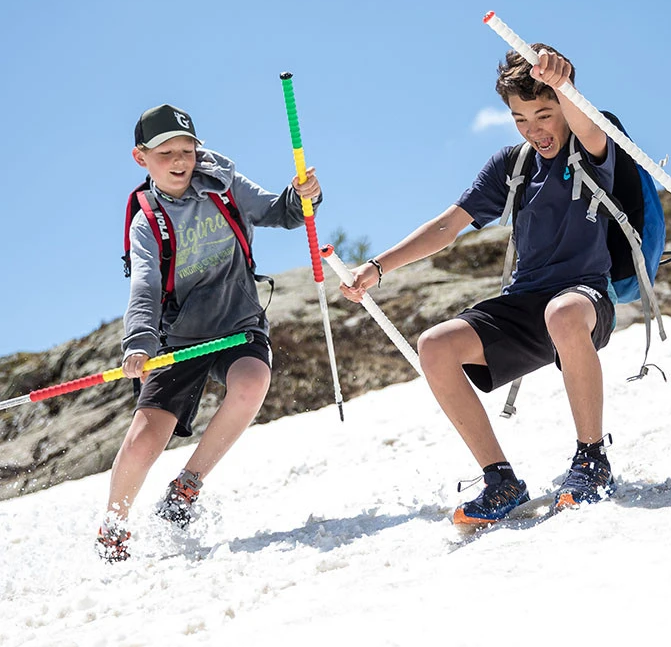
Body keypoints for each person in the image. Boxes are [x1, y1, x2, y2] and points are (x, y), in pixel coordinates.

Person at [339, 44, 619, 526]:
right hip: (526, 304)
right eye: (520, 119)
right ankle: (501, 480)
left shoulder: (591, 139)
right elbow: (447, 226)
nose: (534, 130)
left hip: (585, 298)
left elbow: (588, 125)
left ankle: (592, 461)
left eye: (544, 115)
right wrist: (377, 267)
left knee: (562, 313)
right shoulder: (512, 165)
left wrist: (565, 85)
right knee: (435, 345)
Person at [97, 104, 322, 562]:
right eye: (166, 153)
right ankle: (113, 528)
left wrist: (303, 196)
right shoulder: (146, 221)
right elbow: (145, 285)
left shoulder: (224, 184)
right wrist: (138, 342)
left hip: (238, 321)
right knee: (146, 438)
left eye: (187, 150)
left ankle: (187, 486)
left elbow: (280, 212)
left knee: (252, 382)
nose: (179, 161)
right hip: (180, 337)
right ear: (141, 158)